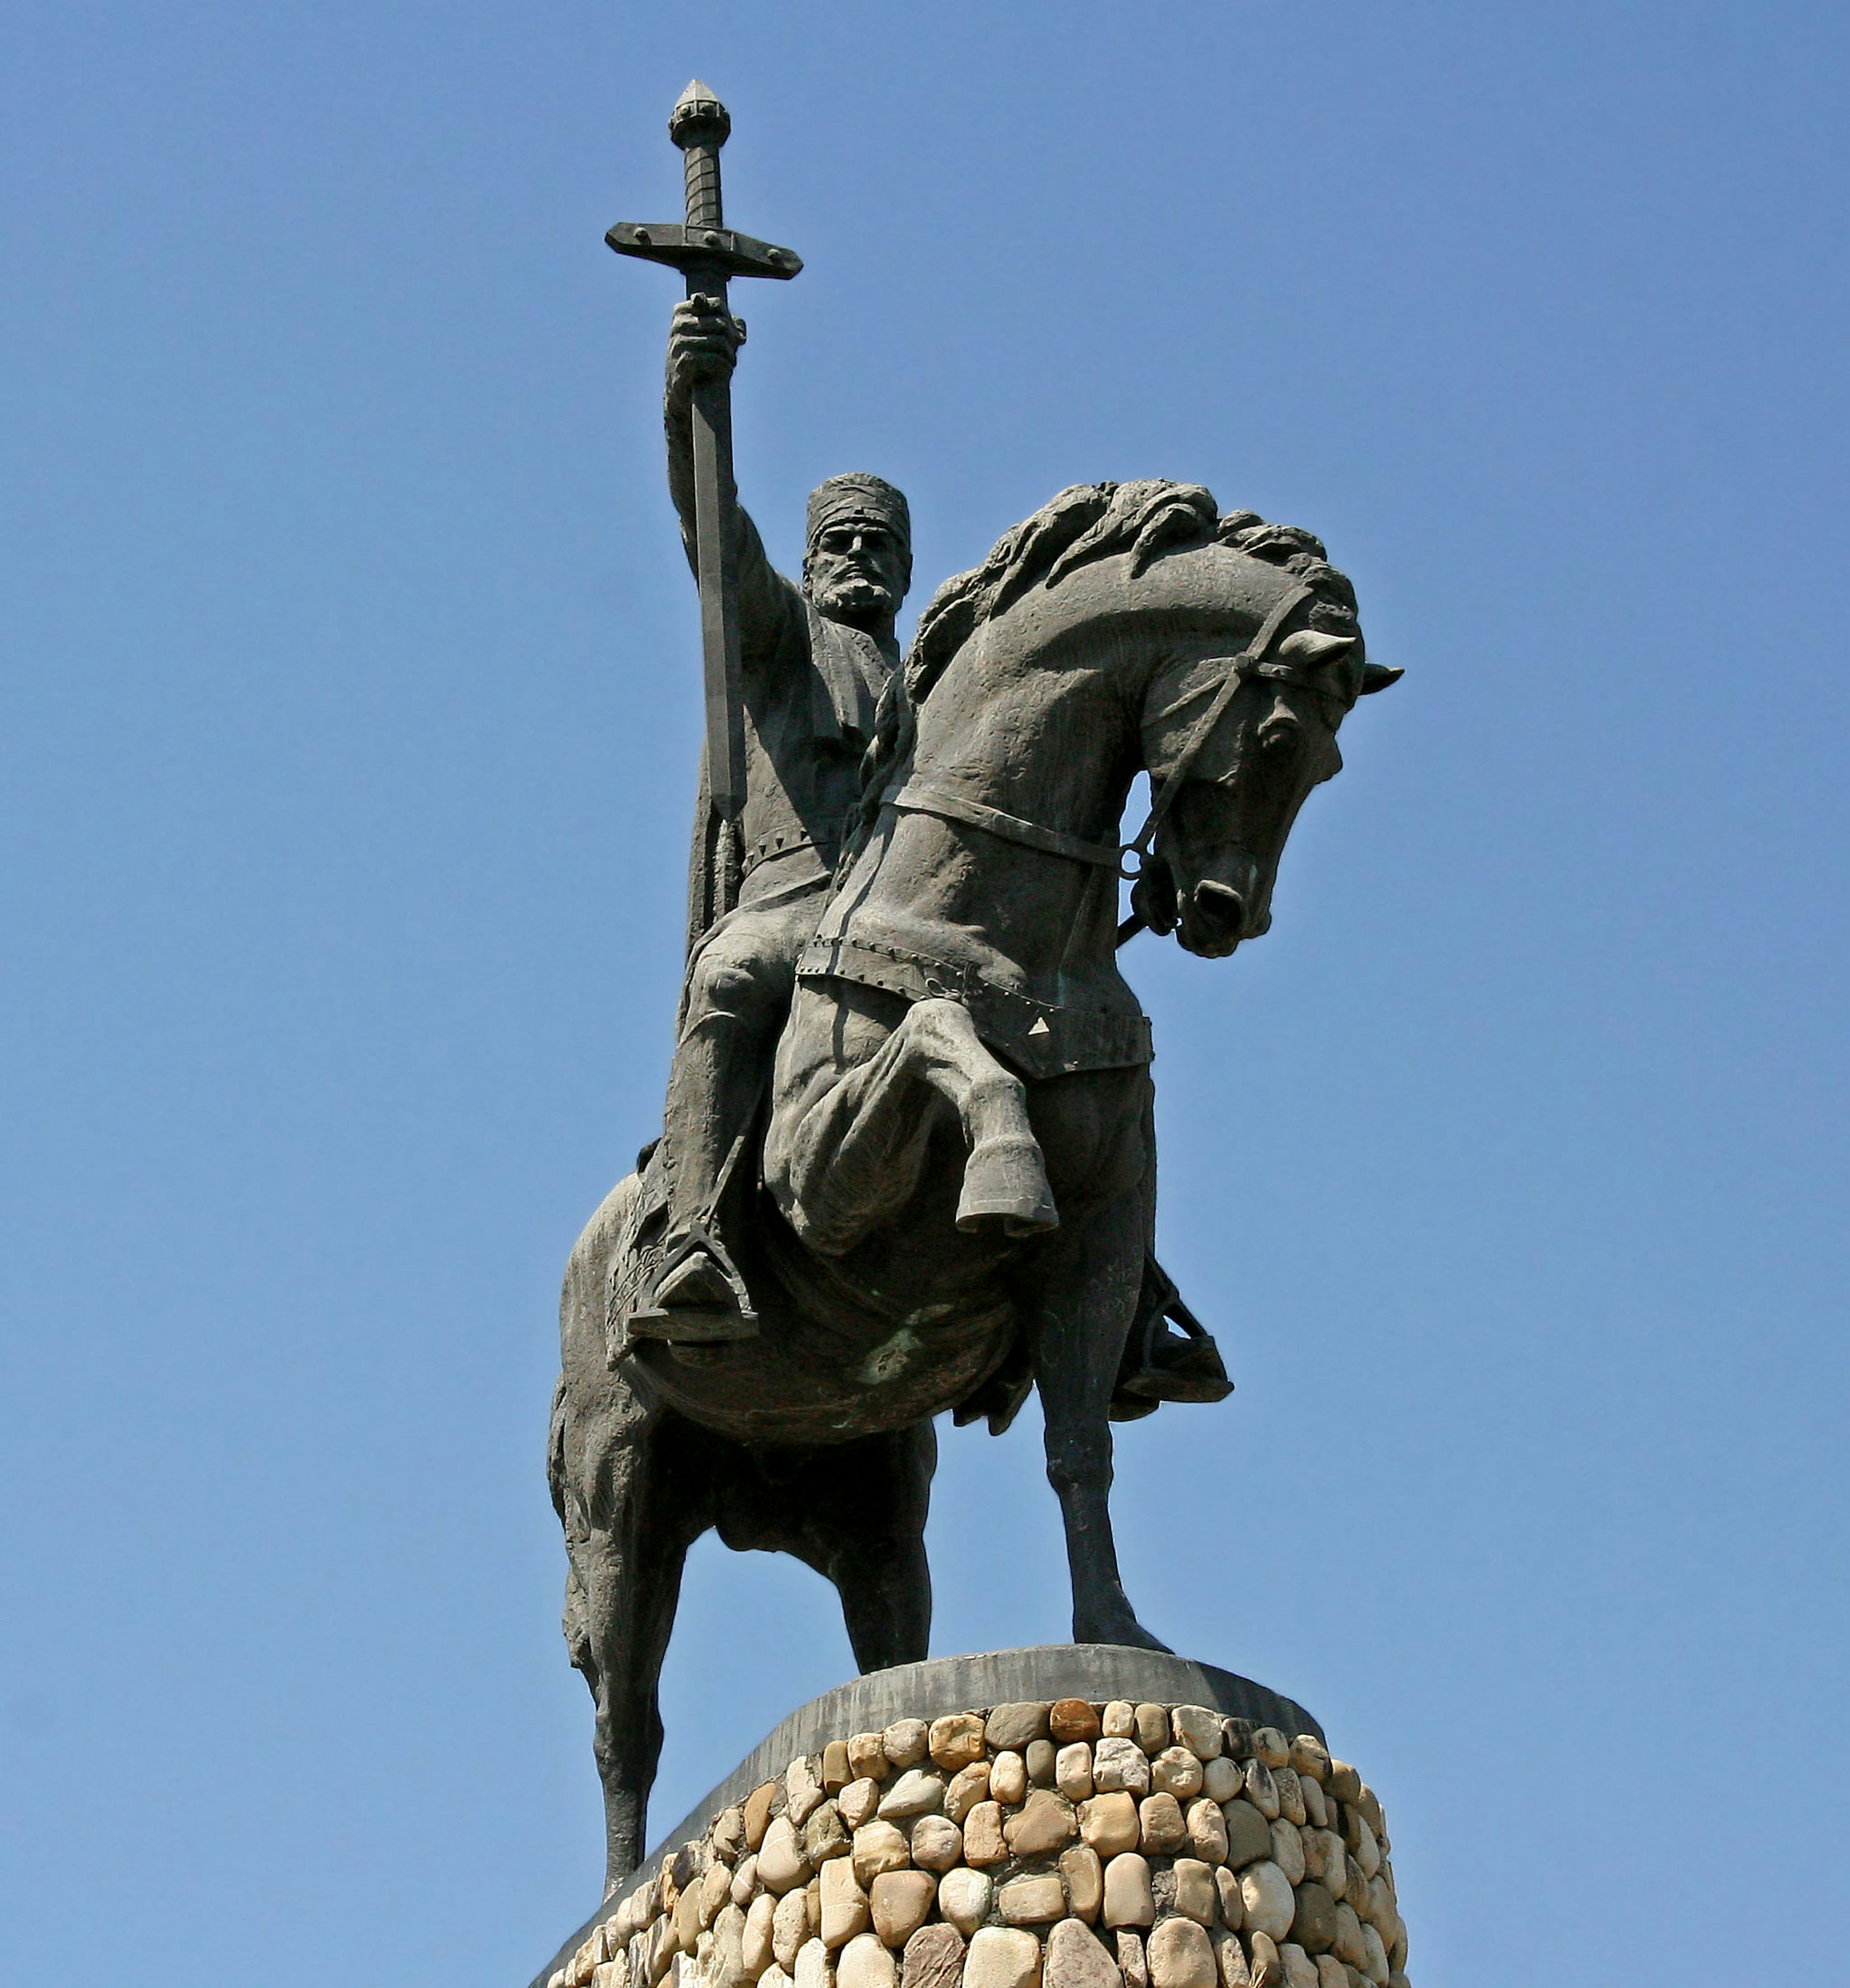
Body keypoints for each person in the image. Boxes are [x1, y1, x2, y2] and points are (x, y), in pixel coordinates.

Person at [629, 293, 911, 1343]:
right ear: (807, 561)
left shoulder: (938, 677)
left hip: (912, 914)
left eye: (882, 547)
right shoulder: (781, 636)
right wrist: (690, 399)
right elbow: (713, 527)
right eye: (840, 542)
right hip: (797, 899)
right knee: (734, 973)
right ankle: (694, 1234)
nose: (861, 559)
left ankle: (1117, 1291)